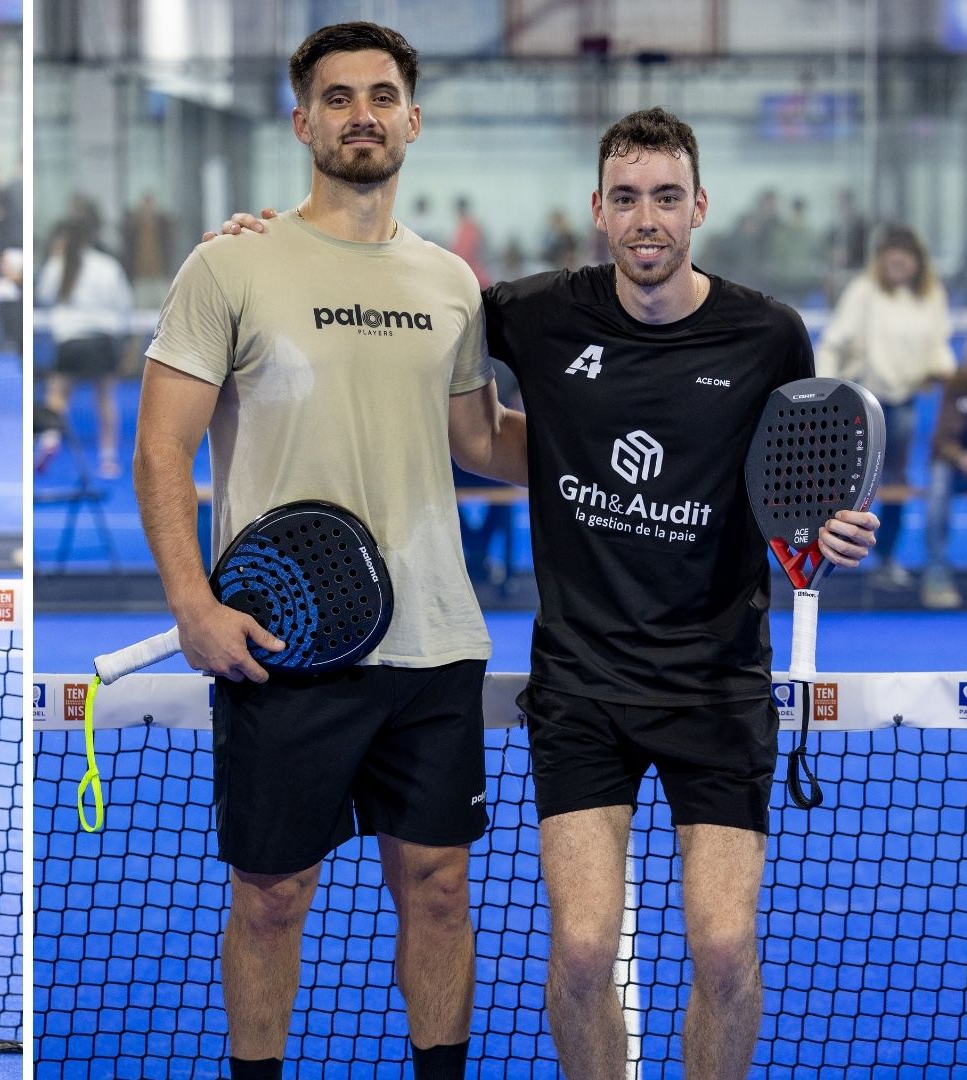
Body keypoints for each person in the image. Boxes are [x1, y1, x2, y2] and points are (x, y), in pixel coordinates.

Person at [214, 106, 879, 1080]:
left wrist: (824, 530)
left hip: (719, 687)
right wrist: (256, 252)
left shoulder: (769, 333)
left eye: (664, 197)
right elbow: (399, 303)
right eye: (625, 199)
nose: (645, 218)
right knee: (578, 950)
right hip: (582, 692)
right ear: (598, 212)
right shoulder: (534, 311)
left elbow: (793, 478)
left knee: (727, 948)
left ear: (699, 206)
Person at [142, 23, 526, 1079]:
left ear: (413, 118)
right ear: (302, 119)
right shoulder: (229, 263)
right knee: (271, 899)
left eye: (383, 95)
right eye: (339, 96)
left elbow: (483, 440)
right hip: (285, 642)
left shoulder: (453, 283)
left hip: (436, 641)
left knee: (439, 885)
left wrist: (632, 453)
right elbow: (162, 447)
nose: (363, 113)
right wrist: (192, 603)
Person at [816, 223, 956, 588]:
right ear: (881, 262)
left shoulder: (929, 296)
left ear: (915, 263)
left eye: (904, 262)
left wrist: (943, 370)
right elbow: (834, 342)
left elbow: (939, 343)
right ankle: (828, 561)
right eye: (891, 262)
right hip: (860, 403)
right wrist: (825, 390)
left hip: (904, 404)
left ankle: (887, 560)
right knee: (843, 484)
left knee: (895, 483)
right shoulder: (863, 293)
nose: (898, 267)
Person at [37, 210, 132, 479]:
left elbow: (44, 295)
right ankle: (109, 460)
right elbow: (123, 303)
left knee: (57, 396)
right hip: (103, 340)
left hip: (70, 341)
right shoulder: (108, 265)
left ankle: (50, 439)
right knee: (105, 398)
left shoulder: (59, 265)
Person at [921, 330, 967, 607]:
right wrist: (959, 456)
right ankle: (937, 574)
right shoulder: (957, 384)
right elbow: (941, 440)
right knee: (937, 484)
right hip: (960, 468)